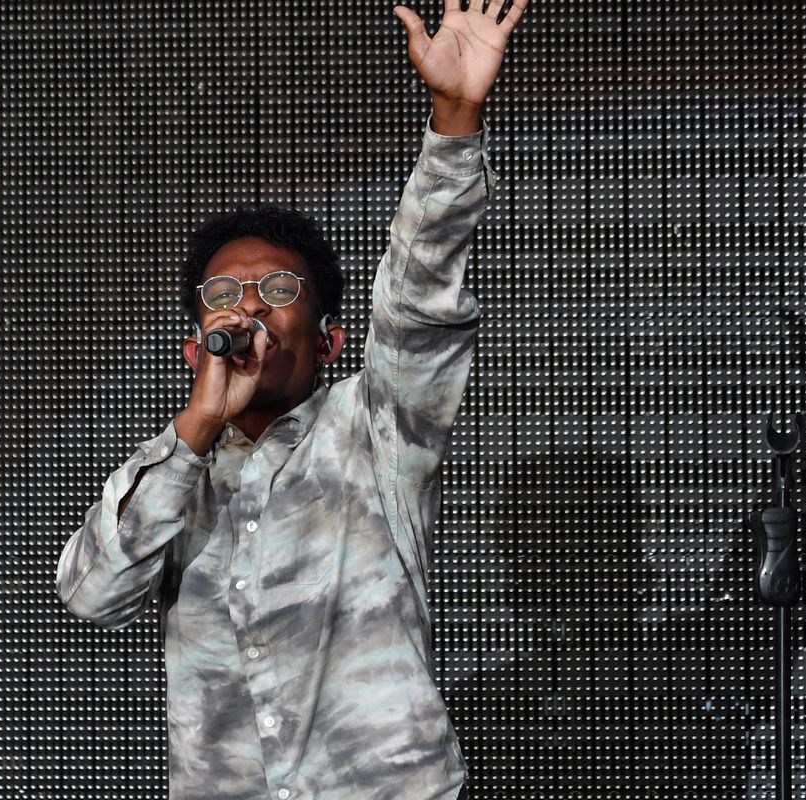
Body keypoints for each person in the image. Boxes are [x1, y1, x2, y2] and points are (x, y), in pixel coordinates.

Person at [56, 1, 527, 797]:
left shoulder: (375, 428)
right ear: (191, 345)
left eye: (277, 290)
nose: (247, 308)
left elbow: (416, 297)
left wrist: (455, 116)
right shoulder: (174, 467)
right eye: (223, 294)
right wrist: (199, 425)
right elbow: (94, 594)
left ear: (330, 342)